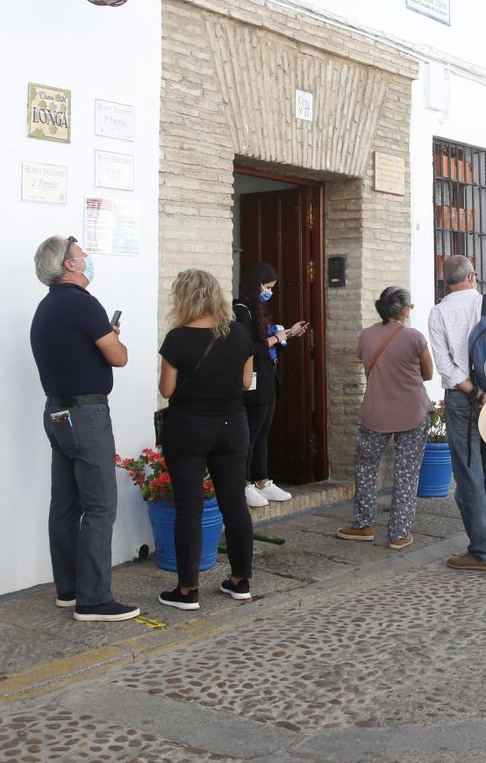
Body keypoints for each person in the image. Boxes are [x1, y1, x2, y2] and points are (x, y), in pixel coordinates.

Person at [30, 235, 138, 623]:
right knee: (99, 505)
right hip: (87, 414)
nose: (88, 258)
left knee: (65, 504)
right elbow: (119, 357)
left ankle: (69, 588)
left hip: (58, 413)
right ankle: (94, 600)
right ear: (69, 265)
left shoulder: (46, 308)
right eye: (82, 254)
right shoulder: (83, 303)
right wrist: (112, 341)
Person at [157, 269, 257, 609]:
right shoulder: (240, 335)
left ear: (184, 299)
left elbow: (167, 390)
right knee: (235, 505)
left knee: (189, 507)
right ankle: (240, 580)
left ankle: (187, 590)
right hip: (232, 425)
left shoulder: (177, 339)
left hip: (188, 427)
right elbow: (246, 383)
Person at [427, 255, 486, 571]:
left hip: (461, 400)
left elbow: (445, 367)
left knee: (469, 475)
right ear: (473, 275)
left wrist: (477, 393)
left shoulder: (438, 313)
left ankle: (482, 552)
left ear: (445, 282)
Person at [338, 286, 435, 550]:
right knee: (406, 472)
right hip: (412, 412)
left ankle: (363, 524)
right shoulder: (415, 337)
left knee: (365, 467)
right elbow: (428, 374)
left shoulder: (366, 335)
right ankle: (399, 534)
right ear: (404, 311)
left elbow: (365, 361)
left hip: (375, 412)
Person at [234, 263, 308, 509]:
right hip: (252, 380)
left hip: (266, 377)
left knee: (263, 432)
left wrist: (286, 333)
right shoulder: (242, 309)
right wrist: (276, 338)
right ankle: (243, 483)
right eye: (267, 287)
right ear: (256, 284)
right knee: (250, 434)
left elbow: (264, 341)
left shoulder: (259, 308)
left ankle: (262, 480)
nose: (269, 292)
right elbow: (248, 347)